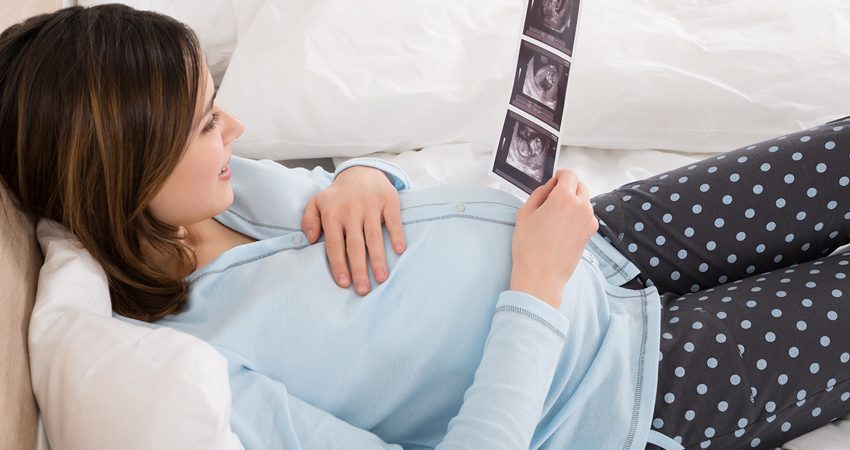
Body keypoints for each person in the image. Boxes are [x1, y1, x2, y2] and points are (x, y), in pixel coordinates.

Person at [1, 5, 848, 450]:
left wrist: (367, 177)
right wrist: (534, 290)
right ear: (126, 169)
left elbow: (358, 205)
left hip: (593, 241)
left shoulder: (215, 200)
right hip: (623, 388)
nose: (237, 132)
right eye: (204, 124)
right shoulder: (213, 365)